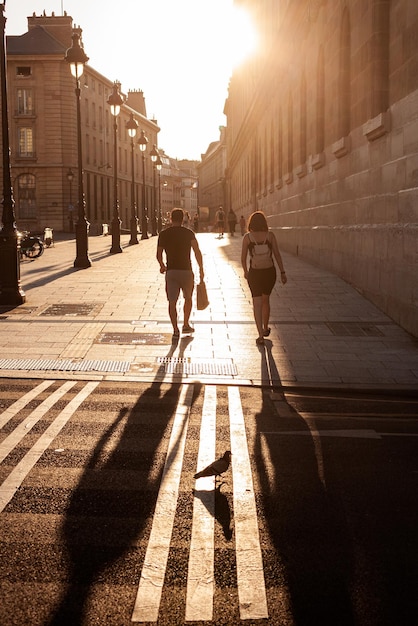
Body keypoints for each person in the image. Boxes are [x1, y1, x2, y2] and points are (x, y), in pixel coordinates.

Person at [241, 210, 287, 345]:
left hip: (254, 273)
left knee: (257, 303)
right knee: (266, 300)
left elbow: (243, 258)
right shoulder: (270, 236)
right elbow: (277, 255)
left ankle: (260, 334)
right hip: (269, 272)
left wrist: (245, 271)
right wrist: (283, 272)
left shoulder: (247, 238)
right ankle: (266, 327)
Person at [157, 208, 204, 339]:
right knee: (188, 298)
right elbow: (197, 251)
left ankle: (175, 329)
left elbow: (158, 254)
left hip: (171, 272)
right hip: (187, 271)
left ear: (171, 218)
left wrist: (162, 266)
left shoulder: (164, 234)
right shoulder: (189, 233)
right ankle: (186, 324)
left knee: (172, 301)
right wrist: (201, 268)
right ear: (183, 218)